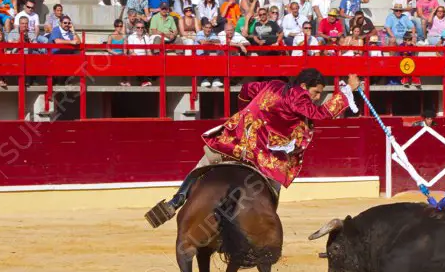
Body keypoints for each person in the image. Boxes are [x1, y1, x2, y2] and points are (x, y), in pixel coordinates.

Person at [145, 69, 361, 227]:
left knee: (205, 162)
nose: (317, 98)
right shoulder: (297, 95)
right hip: (259, 151)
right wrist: (347, 90)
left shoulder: (273, 84)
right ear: (304, 86)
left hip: (234, 137)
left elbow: (246, 90)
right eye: (316, 92)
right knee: (273, 184)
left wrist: (244, 113)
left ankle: (176, 201)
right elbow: (319, 114)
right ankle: (262, 224)